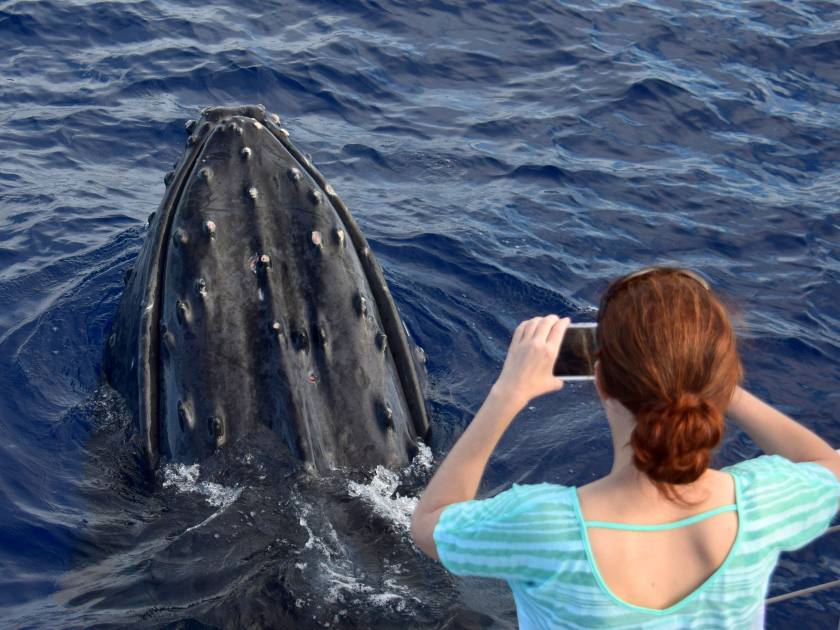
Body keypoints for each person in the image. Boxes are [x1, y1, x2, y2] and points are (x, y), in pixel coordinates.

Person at [410, 267, 840, 629]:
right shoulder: (761, 505)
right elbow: (826, 464)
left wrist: (508, 393)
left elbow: (429, 524)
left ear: (601, 381)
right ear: (723, 379)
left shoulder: (545, 526)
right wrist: (710, 381)